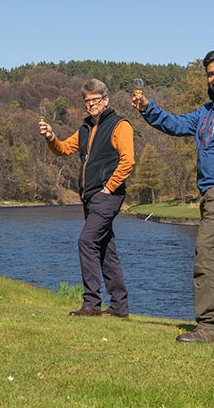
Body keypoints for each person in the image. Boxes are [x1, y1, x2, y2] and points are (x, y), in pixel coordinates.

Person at [132, 45, 214, 342]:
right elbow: (177, 124)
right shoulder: (208, 111)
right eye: (211, 74)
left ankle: (211, 327)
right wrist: (148, 109)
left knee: (206, 256)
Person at [39, 79, 135, 318]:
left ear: (106, 100)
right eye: (87, 101)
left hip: (106, 195)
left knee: (86, 241)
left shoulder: (120, 125)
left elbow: (128, 161)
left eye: (95, 100)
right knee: (105, 249)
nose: (91, 105)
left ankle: (91, 304)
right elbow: (61, 149)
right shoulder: (84, 129)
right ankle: (119, 307)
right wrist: (51, 136)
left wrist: (109, 188)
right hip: (89, 198)